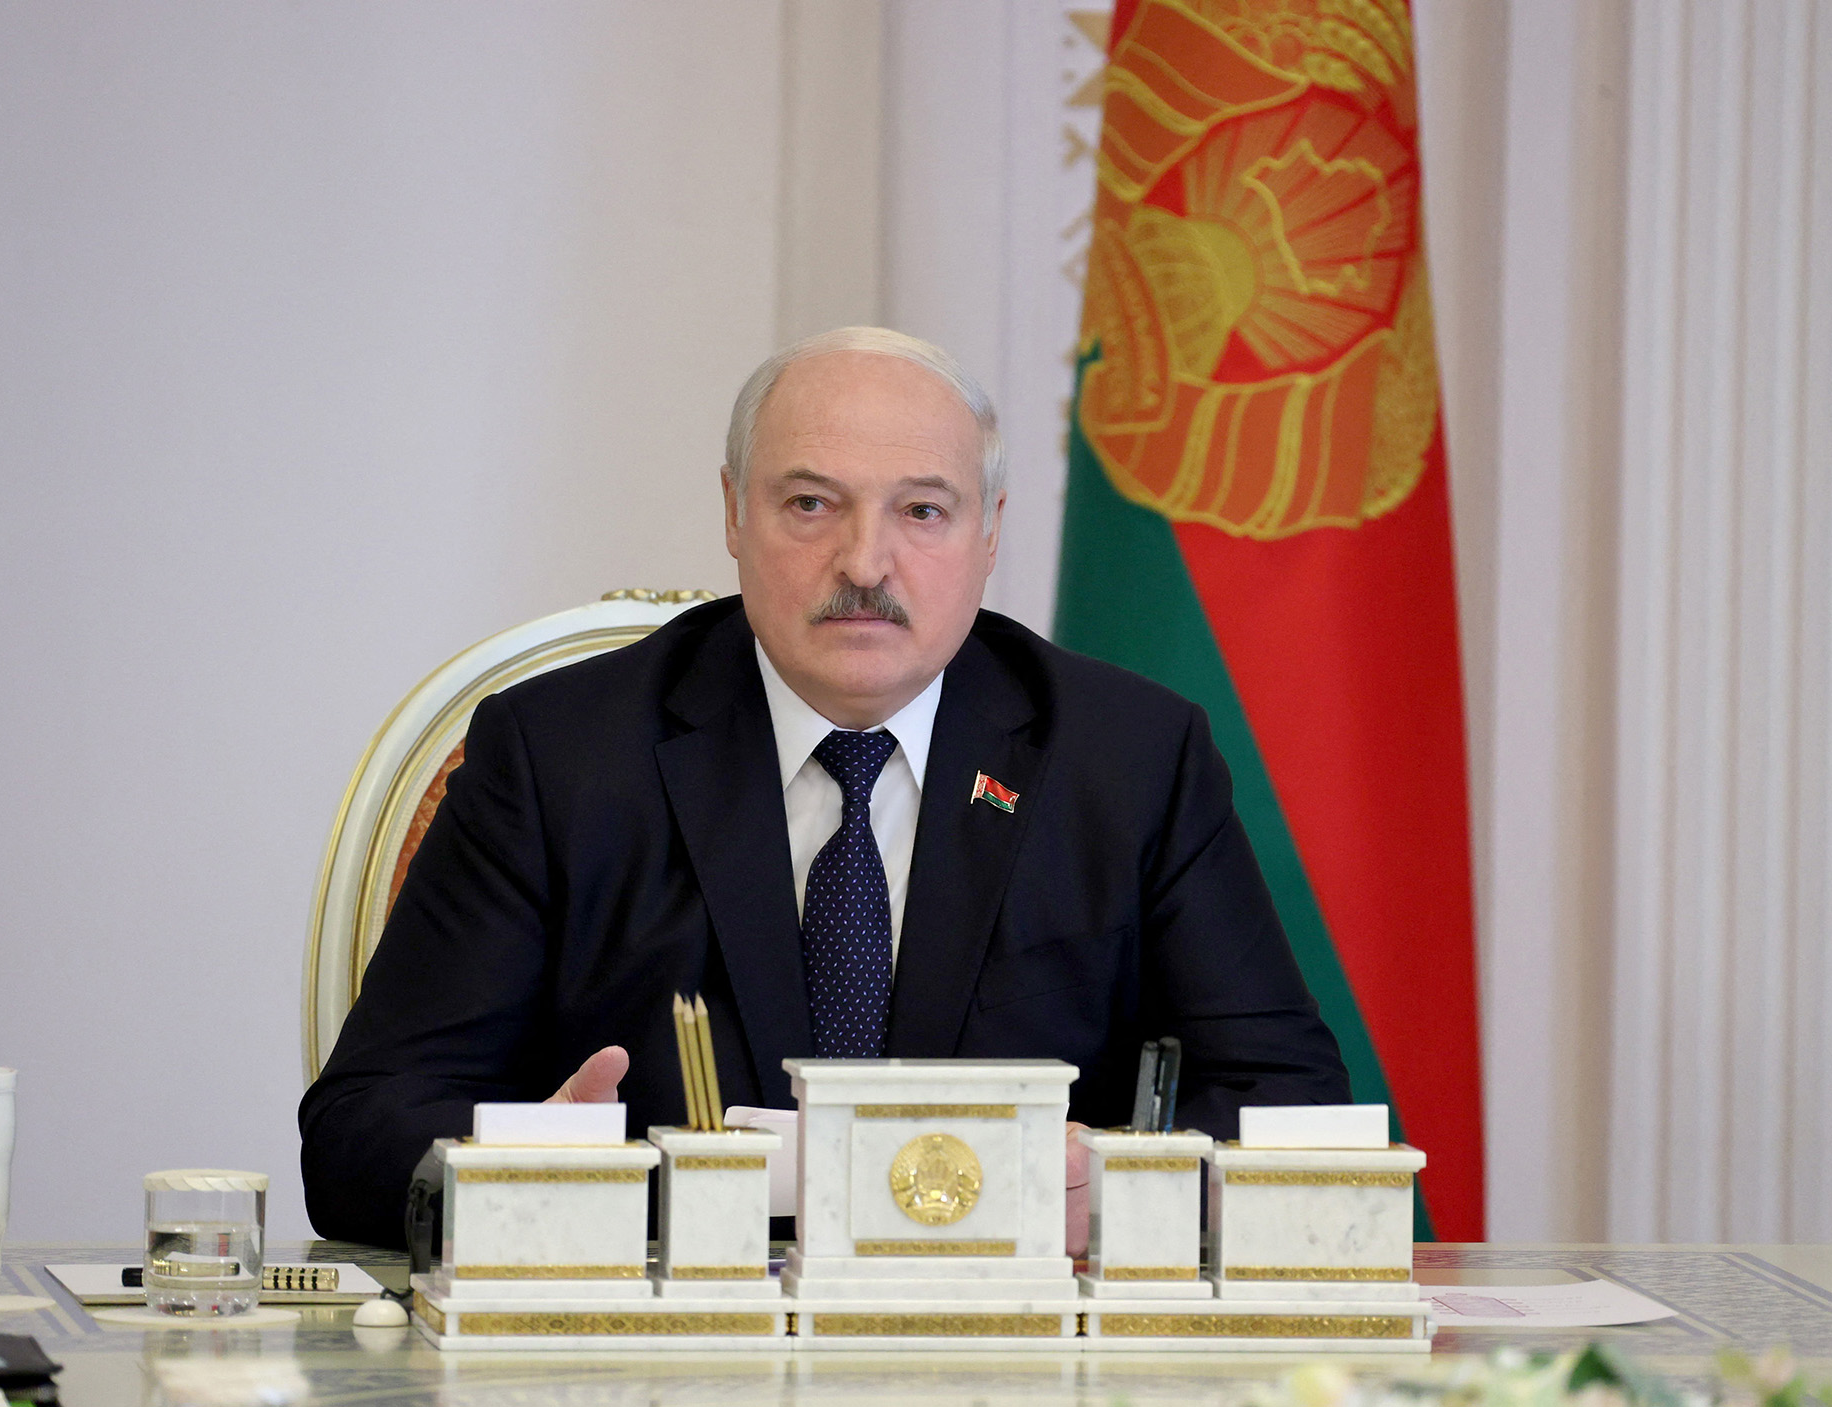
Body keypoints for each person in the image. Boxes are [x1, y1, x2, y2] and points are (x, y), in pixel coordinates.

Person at [300, 327, 1350, 1250]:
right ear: (733, 513)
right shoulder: (561, 755)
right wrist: (558, 1173)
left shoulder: (1125, 758)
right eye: (810, 503)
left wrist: (1114, 1190)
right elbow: (358, 1133)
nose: (865, 561)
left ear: (988, 531)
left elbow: (1288, 1105)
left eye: (922, 512)